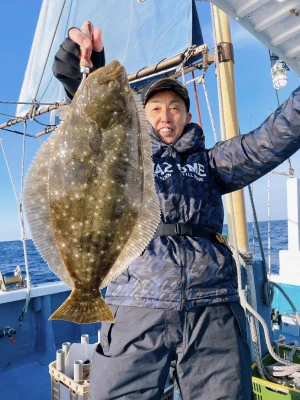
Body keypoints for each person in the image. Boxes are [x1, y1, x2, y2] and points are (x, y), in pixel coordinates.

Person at [53, 26, 300, 400]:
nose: (165, 117)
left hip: (212, 304)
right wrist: (84, 77)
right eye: (155, 109)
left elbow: (265, 142)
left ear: (186, 116)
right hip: (137, 301)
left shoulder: (212, 162)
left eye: (175, 109)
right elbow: (95, 132)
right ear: (142, 117)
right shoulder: (127, 160)